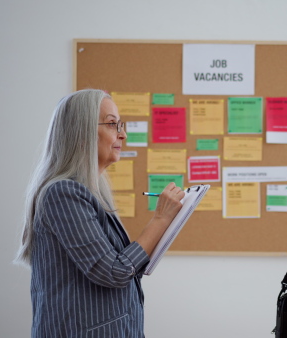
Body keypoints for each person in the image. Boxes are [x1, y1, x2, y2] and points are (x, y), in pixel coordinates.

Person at [15, 89, 185, 337]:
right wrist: (161, 219)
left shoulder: (87, 193)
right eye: (112, 124)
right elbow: (114, 272)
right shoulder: (63, 194)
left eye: (120, 125)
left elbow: (125, 269)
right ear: (81, 132)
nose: (123, 134)